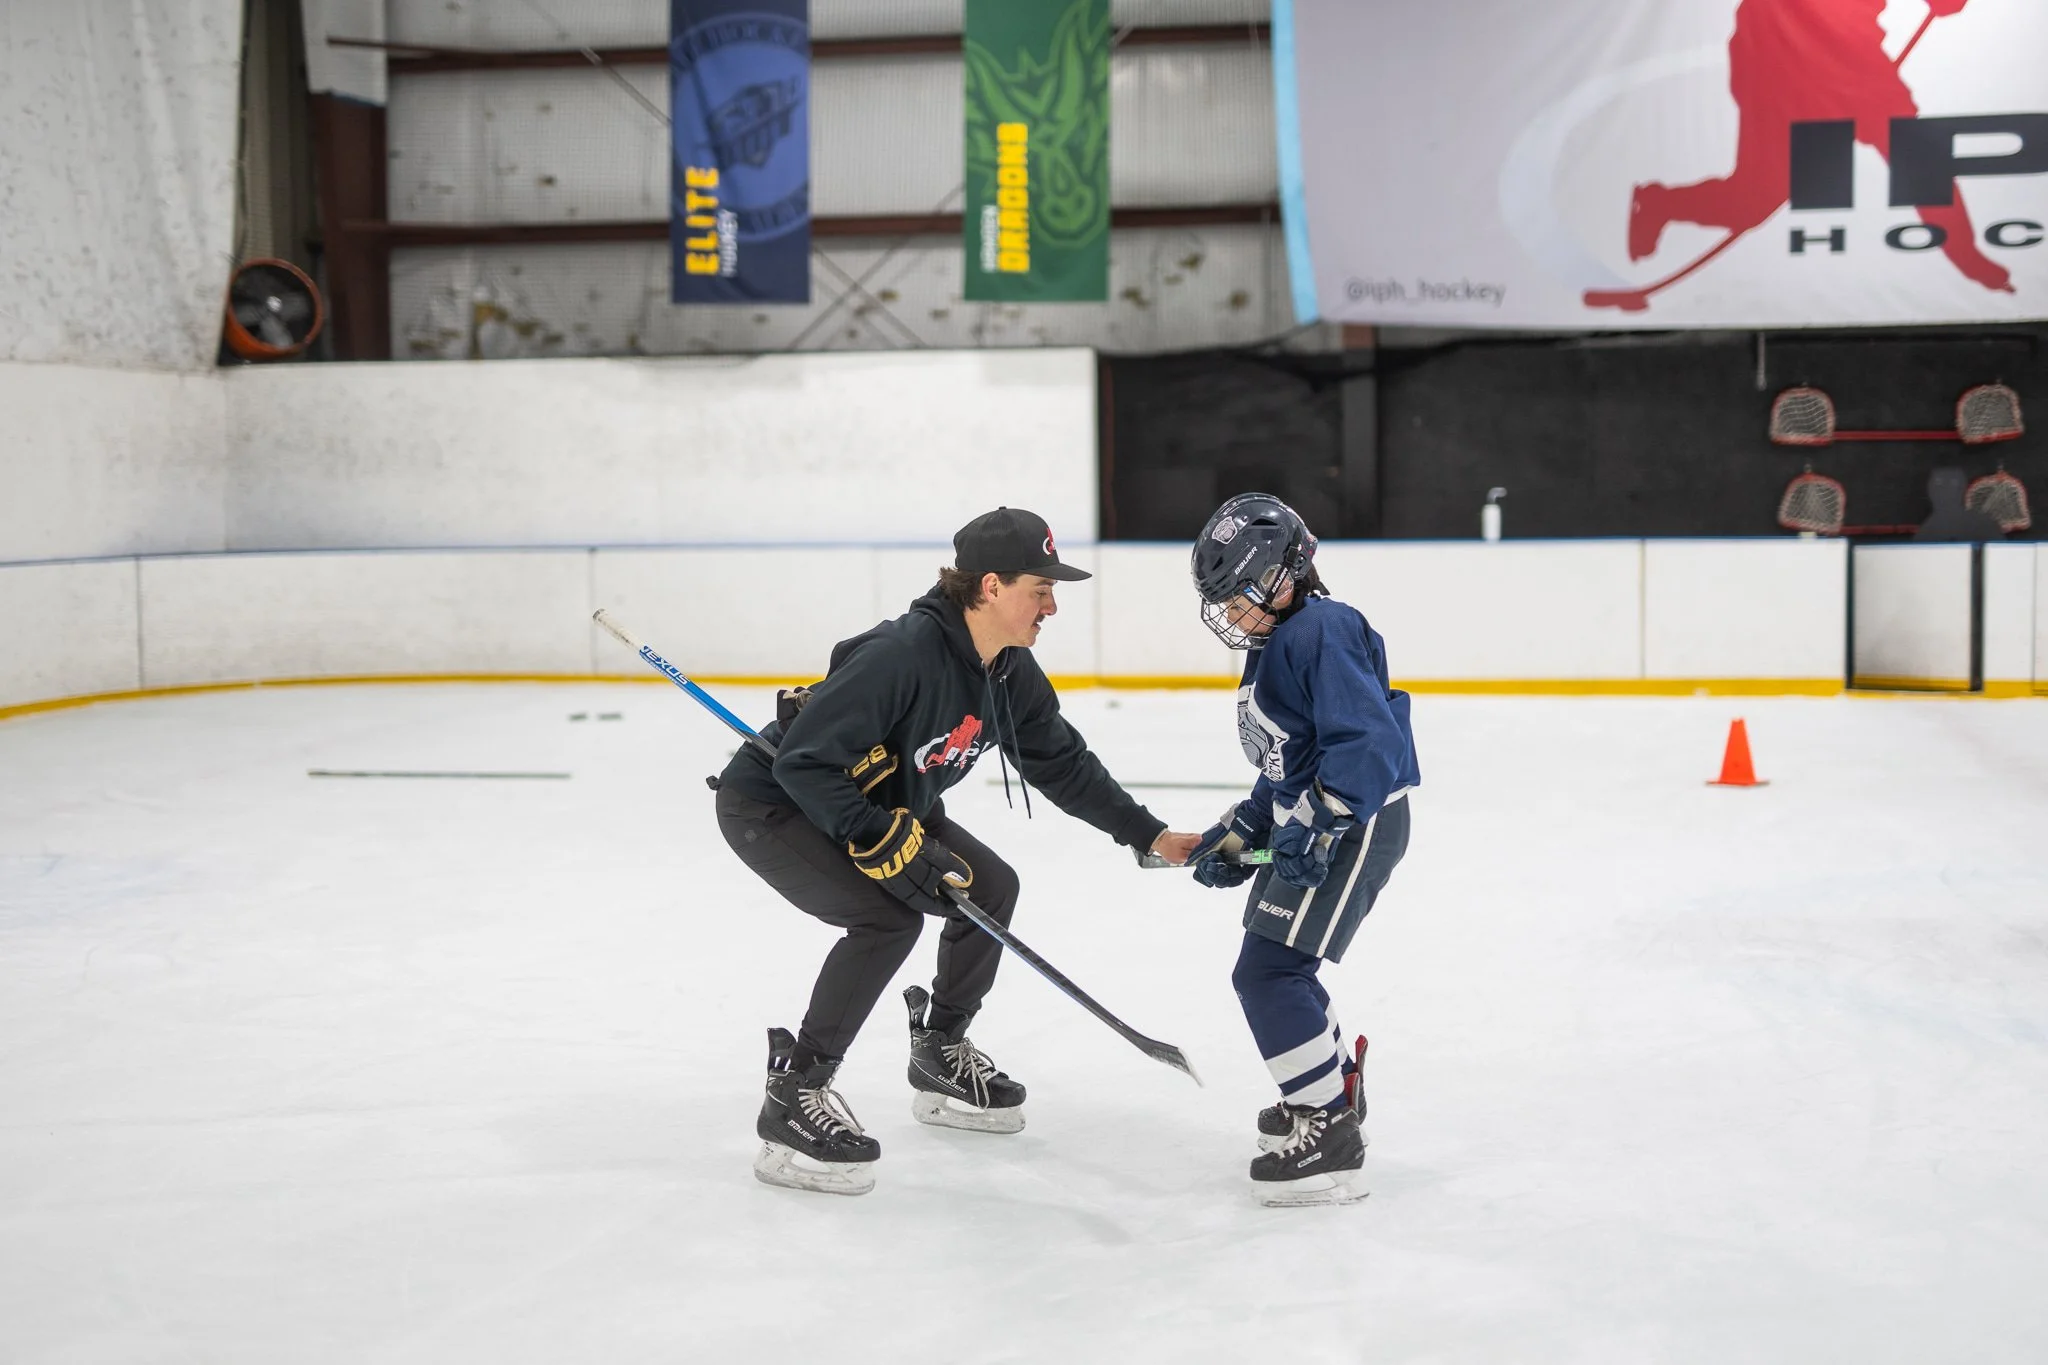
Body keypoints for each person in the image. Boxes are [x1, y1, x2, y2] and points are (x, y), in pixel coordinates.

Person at [713, 507, 1203, 1195]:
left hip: (882, 804)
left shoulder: (1008, 672)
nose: (1053, 605)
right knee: (886, 920)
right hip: (775, 805)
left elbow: (1063, 763)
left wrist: (1145, 832)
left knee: (989, 887)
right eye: (1042, 588)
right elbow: (803, 764)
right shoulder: (900, 657)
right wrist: (870, 833)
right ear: (992, 586)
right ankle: (796, 1092)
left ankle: (940, 1046)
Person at [1185, 493, 1420, 1207]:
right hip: (1317, 818)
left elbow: (1369, 745)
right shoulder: (1277, 642)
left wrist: (1318, 821)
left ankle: (1328, 1130)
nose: (1229, 612)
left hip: (1356, 821)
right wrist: (1245, 827)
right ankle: (1328, 1088)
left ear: (1284, 575)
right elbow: (1289, 757)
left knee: (1269, 973)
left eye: (1239, 594)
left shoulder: (1322, 628)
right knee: (1276, 964)